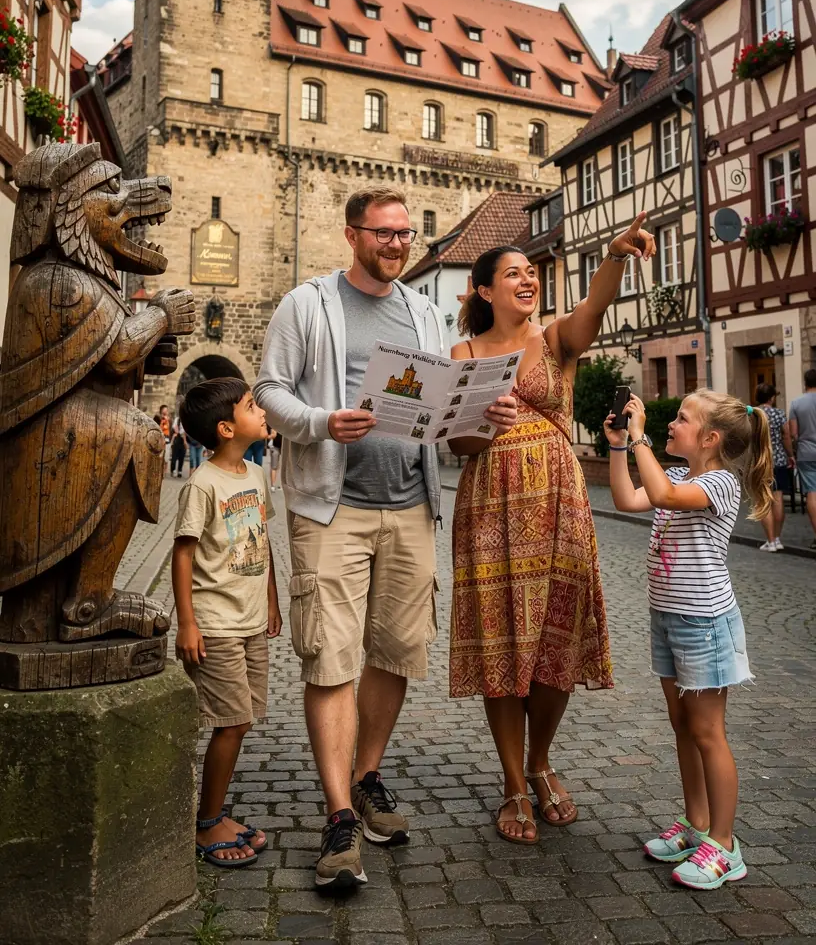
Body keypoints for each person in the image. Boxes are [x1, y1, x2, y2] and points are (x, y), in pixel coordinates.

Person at [254, 186, 515, 890]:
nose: (397, 244)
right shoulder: (308, 304)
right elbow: (269, 390)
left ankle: (367, 777)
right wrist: (320, 422)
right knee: (330, 658)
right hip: (331, 508)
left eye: (404, 234)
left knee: (396, 651)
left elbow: (445, 414)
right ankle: (339, 816)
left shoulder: (425, 313)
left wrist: (484, 415)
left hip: (410, 506)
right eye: (384, 234)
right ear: (352, 235)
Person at [448, 212, 655, 846]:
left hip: (559, 502)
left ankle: (540, 761)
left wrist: (615, 255)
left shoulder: (557, 337)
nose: (527, 279)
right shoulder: (463, 355)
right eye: (513, 273)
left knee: (554, 643)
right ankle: (515, 782)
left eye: (530, 272)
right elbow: (458, 444)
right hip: (490, 504)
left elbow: (595, 305)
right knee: (502, 643)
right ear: (485, 290)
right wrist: (484, 421)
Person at [605, 389, 773, 889]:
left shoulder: (719, 482)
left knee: (707, 732)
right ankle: (697, 823)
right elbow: (628, 499)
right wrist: (618, 446)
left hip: (704, 623)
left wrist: (640, 437)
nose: (671, 423)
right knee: (682, 725)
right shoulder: (678, 475)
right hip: (667, 617)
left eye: (682, 418)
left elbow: (661, 497)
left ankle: (724, 844)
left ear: (710, 438)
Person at [172, 377, 282, 869]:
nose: (262, 411)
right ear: (226, 428)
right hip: (215, 623)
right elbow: (183, 554)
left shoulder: (256, 474)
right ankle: (207, 822)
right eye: (251, 405)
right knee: (230, 721)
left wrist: (272, 601)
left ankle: (214, 813)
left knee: (242, 719)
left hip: (251, 620)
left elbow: (263, 540)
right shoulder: (202, 483)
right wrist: (187, 623)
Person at [755, 382, 793, 552]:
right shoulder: (779, 413)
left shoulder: (755, 414)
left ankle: (770, 540)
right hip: (778, 460)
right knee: (778, 499)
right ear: (771, 398)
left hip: (760, 462)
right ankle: (777, 539)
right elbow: (786, 436)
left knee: (764, 501)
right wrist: (790, 455)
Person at [789, 369, 816, 550]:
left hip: (807, 453)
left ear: (805, 383)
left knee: (812, 494)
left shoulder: (796, 403)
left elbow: (793, 433)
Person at [155, 403, 171, 476]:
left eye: (167, 410)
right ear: (161, 410)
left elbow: (170, 429)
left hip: (167, 440)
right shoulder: (157, 418)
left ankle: (164, 473)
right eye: (165, 410)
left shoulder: (169, 419)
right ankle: (158, 471)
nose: (166, 411)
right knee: (159, 456)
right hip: (160, 439)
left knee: (166, 458)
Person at [170, 412, 187, 478]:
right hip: (177, 437)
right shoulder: (177, 419)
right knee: (174, 455)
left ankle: (180, 471)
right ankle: (173, 470)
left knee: (182, 456)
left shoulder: (186, 420)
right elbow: (174, 427)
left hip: (183, 439)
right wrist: (178, 431)